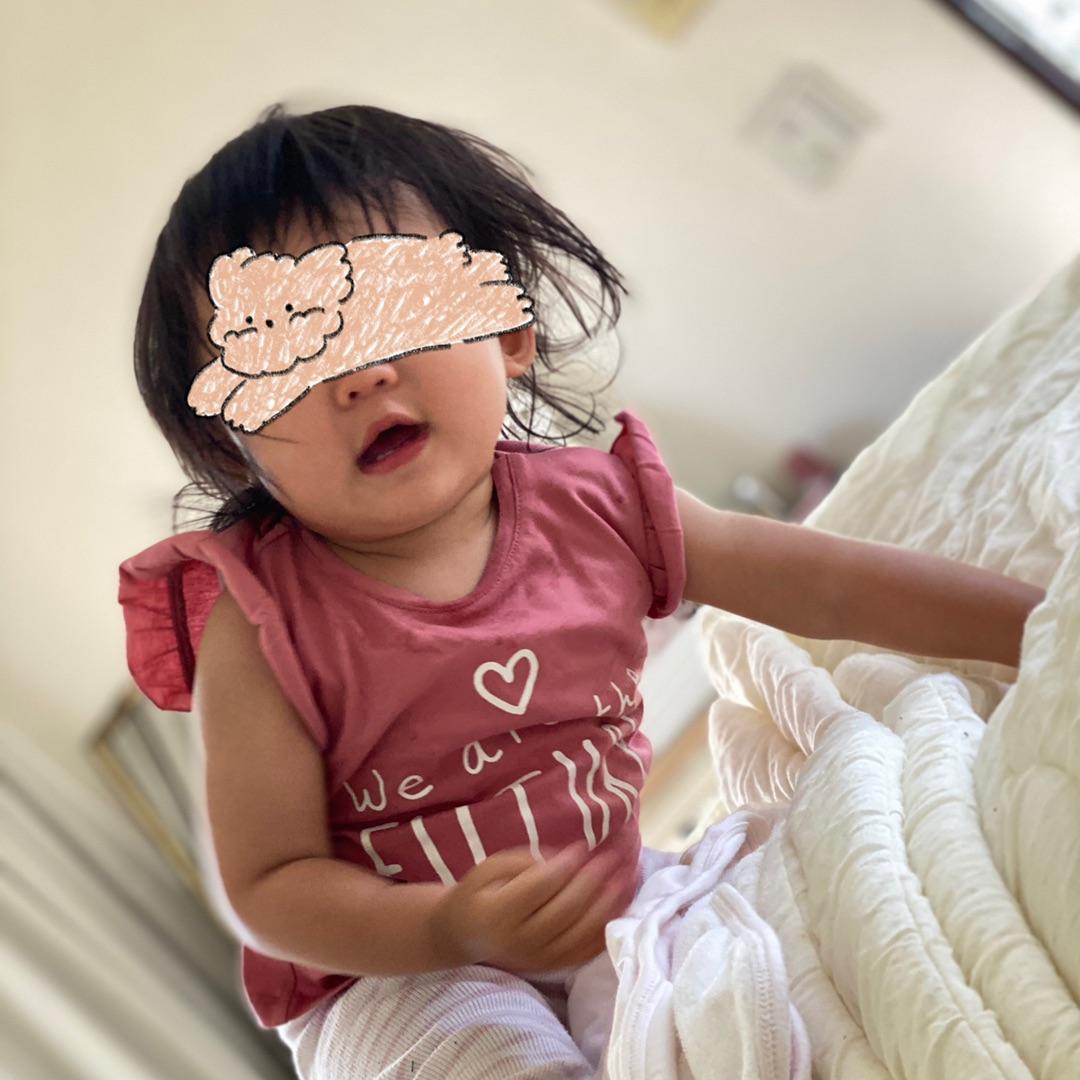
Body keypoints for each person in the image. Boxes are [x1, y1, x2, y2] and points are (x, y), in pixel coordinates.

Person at [119, 101, 684, 1079]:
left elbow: (833, 587)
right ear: (229, 440)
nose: (361, 373)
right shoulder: (263, 625)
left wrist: (997, 617)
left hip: (600, 901)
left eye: (398, 309)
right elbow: (270, 883)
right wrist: (444, 927)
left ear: (507, 326)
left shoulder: (601, 505)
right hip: (385, 979)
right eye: (285, 354)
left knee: (734, 978)